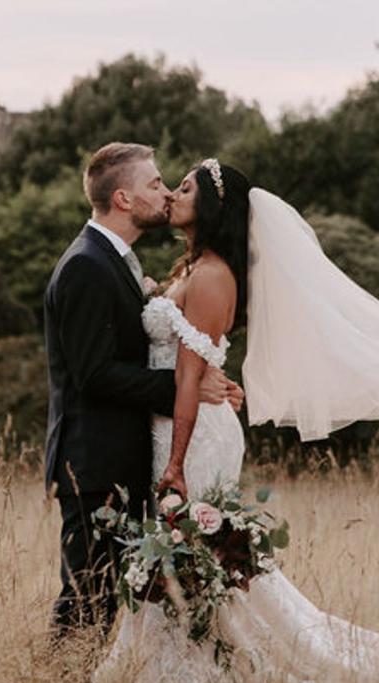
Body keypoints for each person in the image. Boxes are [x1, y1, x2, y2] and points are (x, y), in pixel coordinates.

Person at [90, 158, 379, 683]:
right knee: (193, 565)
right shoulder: (195, 267)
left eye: (184, 188)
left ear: (213, 206)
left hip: (191, 437)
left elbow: (186, 382)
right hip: (179, 425)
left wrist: (178, 465)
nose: (173, 195)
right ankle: (185, 671)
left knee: (195, 560)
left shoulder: (209, 277)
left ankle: (203, 676)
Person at [43, 143, 243, 636]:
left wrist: (198, 378)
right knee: (89, 596)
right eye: (155, 184)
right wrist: (186, 387)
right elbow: (93, 374)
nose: (166, 190)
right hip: (93, 462)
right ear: (124, 199)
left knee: (116, 595)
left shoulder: (116, 260)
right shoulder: (87, 265)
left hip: (124, 456)